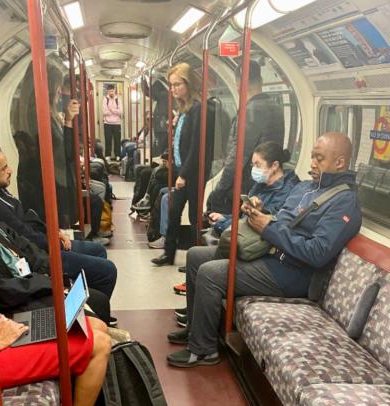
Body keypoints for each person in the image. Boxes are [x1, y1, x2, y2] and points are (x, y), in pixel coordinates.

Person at [166, 132, 361, 368]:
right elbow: (282, 220)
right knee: (196, 255)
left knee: (211, 273)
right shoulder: (306, 188)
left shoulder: (344, 202)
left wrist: (269, 229)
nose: (312, 164)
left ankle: (203, 350)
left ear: (340, 163)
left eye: (319, 158)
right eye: (311, 157)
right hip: (271, 253)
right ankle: (194, 330)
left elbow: (317, 253)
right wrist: (261, 213)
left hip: (291, 273)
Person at [0, 142, 118, 303]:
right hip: (38, 254)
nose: (10, 170)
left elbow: (30, 218)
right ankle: (93, 307)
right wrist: (55, 243)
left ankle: (89, 304)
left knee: (98, 251)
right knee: (107, 270)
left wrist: (53, 232)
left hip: (41, 242)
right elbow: (25, 236)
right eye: (4, 168)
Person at [0, 199, 119, 327]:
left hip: (32, 278)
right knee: (97, 304)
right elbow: (1, 289)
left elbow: (27, 247)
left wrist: (50, 271)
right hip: (17, 301)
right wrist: (48, 284)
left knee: (97, 300)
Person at [151, 62, 213, 267]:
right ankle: (169, 253)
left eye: (178, 84)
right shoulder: (184, 109)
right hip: (181, 169)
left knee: (195, 217)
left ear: (189, 84)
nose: (173, 89)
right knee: (173, 210)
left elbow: (197, 147)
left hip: (193, 172)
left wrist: (183, 174)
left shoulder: (199, 109)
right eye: (171, 85)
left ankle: (195, 259)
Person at [206, 61, 285, 215]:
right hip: (267, 181)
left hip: (244, 186)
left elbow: (238, 156)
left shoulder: (249, 111)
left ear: (238, 84)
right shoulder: (276, 108)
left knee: (215, 210)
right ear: (261, 81)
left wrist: (220, 189)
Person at [102, 85, 123, 159]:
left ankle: (118, 155)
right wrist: (115, 111)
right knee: (108, 140)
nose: (111, 93)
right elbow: (104, 112)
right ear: (108, 91)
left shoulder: (118, 99)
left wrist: (111, 109)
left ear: (115, 91)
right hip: (107, 123)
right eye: (110, 91)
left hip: (117, 123)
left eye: (113, 91)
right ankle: (107, 156)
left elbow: (120, 112)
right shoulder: (105, 99)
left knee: (117, 140)